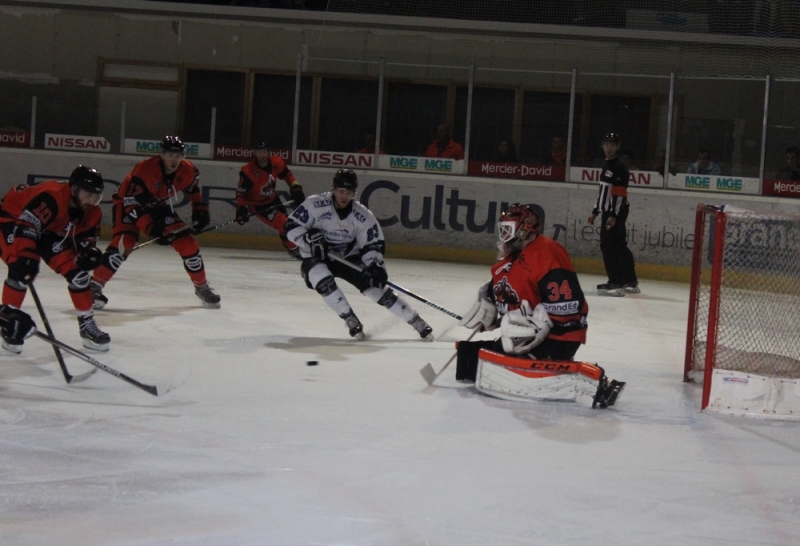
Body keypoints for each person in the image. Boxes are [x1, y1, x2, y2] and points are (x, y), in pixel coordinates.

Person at [453, 204, 622, 407]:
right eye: (503, 228)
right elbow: (510, 287)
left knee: (502, 362)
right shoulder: (513, 255)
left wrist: (537, 327)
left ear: (525, 228)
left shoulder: (547, 253)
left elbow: (569, 309)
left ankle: (589, 382)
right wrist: (489, 297)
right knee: (470, 358)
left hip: (558, 336)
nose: (504, 234)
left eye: (508, 228)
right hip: (527, 333)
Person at [284, 168, 433, 341]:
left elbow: (372, 244)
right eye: (340, 191)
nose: (344, 196)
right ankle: (349, 318)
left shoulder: (362, 215)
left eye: (349, 192)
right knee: (320, 277)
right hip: (319, 258)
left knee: (375, 287)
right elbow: (290, 228)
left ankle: (415, 320)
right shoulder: (314, 204)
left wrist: (375, 265)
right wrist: (308, 238)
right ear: (333, 188)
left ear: (355, 193)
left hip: (349, 259)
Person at [90, 136, 221, 310]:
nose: (174, 159)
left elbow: (193, 189)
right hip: (127, 204)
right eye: (170, 155)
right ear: (162, 155)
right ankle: (94, 285)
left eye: (178, 155)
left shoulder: (187, 170)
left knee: (187, 243)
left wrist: (200, 209)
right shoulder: (145, 170)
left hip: (156, 205)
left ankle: (202, 286)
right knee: (125, 242)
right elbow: (131, 202)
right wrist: (152, 229)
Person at [0, 166, 109, 352]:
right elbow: (27, 225)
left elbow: (87, 240)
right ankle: (9, 324)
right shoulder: (53, 197)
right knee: (20, 269)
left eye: (96, 196)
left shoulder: (93, 212)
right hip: (12, 218)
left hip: (47, 228)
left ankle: (86, 325)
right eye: (88, 194)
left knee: (78, 274)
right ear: (74, 189)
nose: (92, 201)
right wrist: (26, 256)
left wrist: (87, 254)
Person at [588, 133, 639, 296]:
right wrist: (595, 211)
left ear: (617, 147)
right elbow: (605, 192)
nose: (608, 148)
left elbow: (619, 194)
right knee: (619, 245)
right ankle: (629, 280)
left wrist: (613, 215)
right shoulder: (608, 164)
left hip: (615, 211)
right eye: (606, 144)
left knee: (608, 244)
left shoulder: (619, 166)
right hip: (611, 210)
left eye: (612, 145)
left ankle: (616, 282)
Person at [235, 140, 304, 259]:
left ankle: (292, 248)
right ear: (255, 153)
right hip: (258, 205)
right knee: (283, 223)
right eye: (259, 152)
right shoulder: (248, 172)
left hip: (273, 199)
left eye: (264, 152)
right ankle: (294, 249)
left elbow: (287, 175)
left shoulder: (276, 162)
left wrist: (295, 186)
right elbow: (240, 193)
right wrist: (241, 208)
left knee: (287, 225)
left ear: (268, 152)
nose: (262, 155)